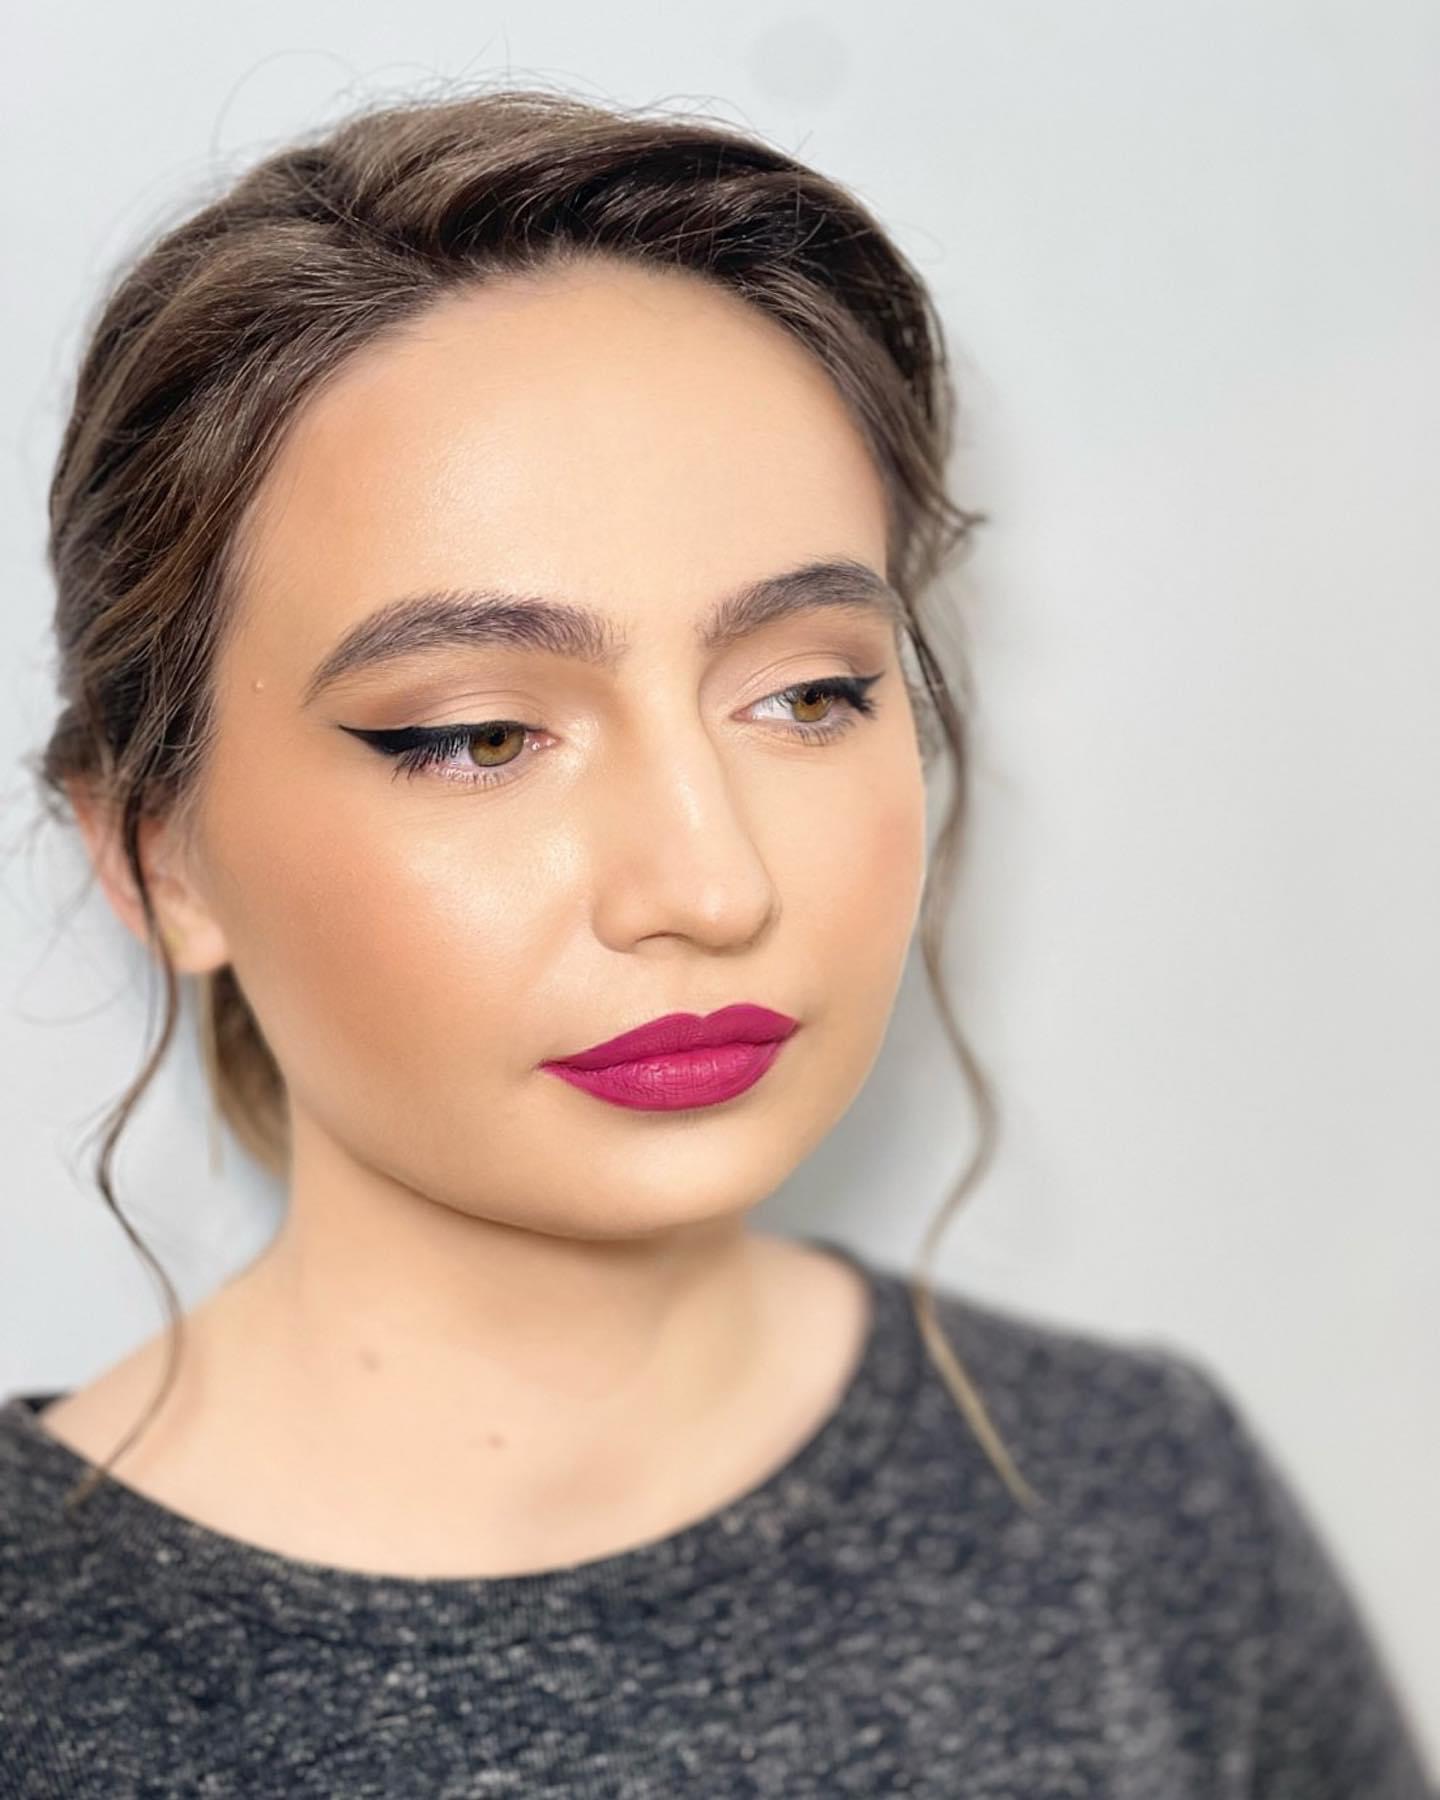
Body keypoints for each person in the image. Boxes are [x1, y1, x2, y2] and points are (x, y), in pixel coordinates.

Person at [0, 84, 1431, 1798]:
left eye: (809, 694)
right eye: (475, 735)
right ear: (153, 851)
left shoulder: (1146, 1513)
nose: (710, 880)